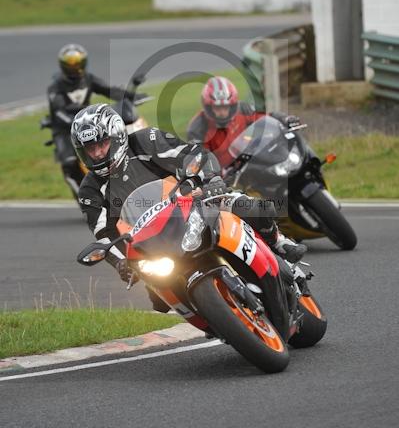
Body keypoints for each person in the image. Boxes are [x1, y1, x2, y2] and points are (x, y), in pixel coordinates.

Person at [70, 103, 306, 311]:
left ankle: (279, 242)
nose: (98, 153)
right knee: (159, 299)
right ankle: (211, 315)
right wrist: (122, 262)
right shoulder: (90, 190)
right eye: (90, 149)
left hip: (195, 202)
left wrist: (210, 179)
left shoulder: (145, 141)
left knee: (251, 208)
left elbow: (192, 155)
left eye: (102, 144)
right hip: (153, 240)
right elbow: (104, 236)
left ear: (118, 136)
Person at [47, 43, 142, 197]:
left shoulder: (88, 79)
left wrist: (129, 95)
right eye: (70, 65)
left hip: (85, 122)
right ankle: (82, 193)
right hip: (63, 128)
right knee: (69, 162)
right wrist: (72, 123)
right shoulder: (55, 87)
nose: (74, 68)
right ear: (63, 66)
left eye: (77, 64)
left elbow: (108, 90)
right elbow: (59, 111)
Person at [187, 76, 301, 167]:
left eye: (225, 107)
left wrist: (284, 119)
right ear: (208, 107)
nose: (222, 112)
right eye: (217, 108)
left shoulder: (243, 110)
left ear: (232, 105)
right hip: (225, 179)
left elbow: (266, 118)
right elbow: (200, 162)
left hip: (252, 164)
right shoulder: (198, 128)